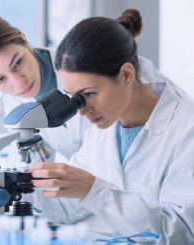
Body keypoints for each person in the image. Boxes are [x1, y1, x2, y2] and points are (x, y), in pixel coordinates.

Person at [0, 14, 173, 217]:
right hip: (100, 201)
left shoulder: (93, 66)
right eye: (0, 80)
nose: (18, 82)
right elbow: (38, 177)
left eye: (18, 62)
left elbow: (166, 133)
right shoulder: (15, 103)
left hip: (145, 199)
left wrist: (92, 191)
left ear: (25, 41)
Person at [30, 9, 194, 244]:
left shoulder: (187, 130)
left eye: (88, 94)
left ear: (126, 75)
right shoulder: (101, 132)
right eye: (73, 97)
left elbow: (181, 234)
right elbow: (68, 207)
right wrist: (10, 185)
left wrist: (95, 191)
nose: (81, 110)